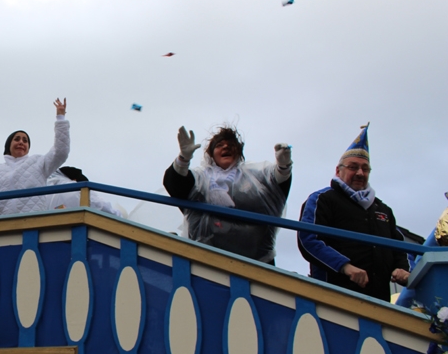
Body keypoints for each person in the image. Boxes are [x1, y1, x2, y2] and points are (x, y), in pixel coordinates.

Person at [297, 124, 409, 302]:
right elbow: (308, 240)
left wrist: (401, 268)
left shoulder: (382, 209)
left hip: (379, 300)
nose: (360, 173)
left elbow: (398, 246)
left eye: (365, 168)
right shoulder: (322, 199)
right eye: (353, 167)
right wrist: (345, 266)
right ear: (338, 170)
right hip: (333, 296)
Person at [163, 124, 292, 265]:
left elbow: (276, 186)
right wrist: (183, 159)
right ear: (211, 154)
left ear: (239, 152)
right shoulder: (202, 178)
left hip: (256, 264)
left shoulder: (255, 177)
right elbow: (177, 185)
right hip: (204, 262)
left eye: (231, 145)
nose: (226, 147)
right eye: (219, 145)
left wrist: (283, 167)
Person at [0, 98, 70, 216]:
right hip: (2, 224)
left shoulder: (38, 162)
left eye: (25, 141)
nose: (21, 142)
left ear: (28, 148)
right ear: (8, 145)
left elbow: (61, 152)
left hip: (33, 223)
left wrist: (60, 118)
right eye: (17, 139)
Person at [45, 166, 123, 217]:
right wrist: (120, 216)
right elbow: (100, 205)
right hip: (71, 232)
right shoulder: (77, 189)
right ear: (75, 180)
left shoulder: (44, 185)